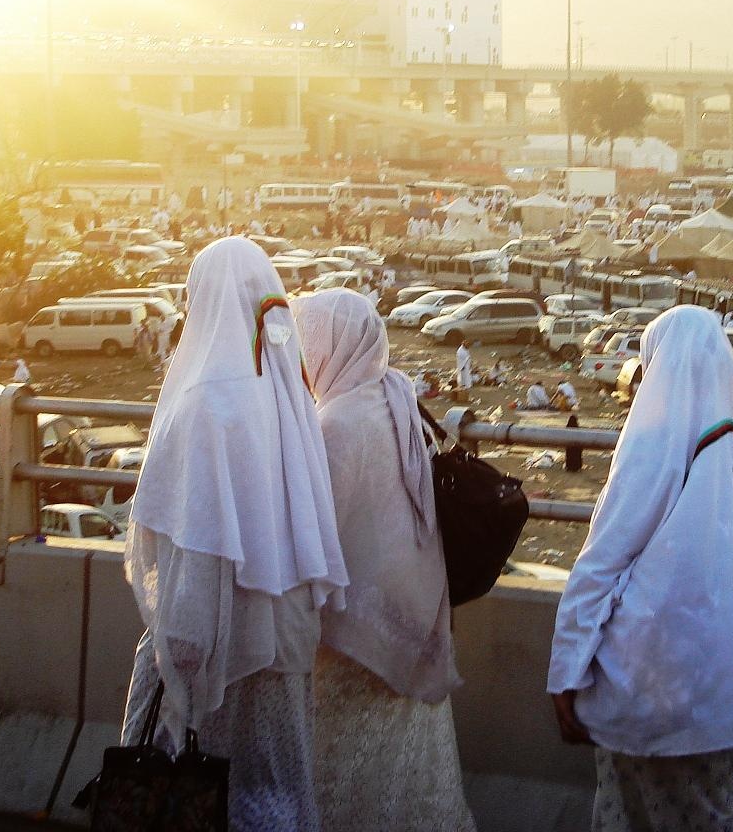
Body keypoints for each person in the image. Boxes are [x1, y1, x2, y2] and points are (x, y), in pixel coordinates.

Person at [121, 237, 348, 831]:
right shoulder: (287, 394)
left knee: (199, 791)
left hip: (219, 638)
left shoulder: (204, 404)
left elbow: (190, 546)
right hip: (286, 629)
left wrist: (184, 657)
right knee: (272, 787)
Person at [549, 306, 733, 832]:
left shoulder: (655, 438)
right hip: (731, 693)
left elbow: (606, 555)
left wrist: (567, 669)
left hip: (649, 678)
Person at [293, 289, 475, 831]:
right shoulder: (394, 399)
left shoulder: (336, 425)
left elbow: (314, 538)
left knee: (343, 782)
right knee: (407, 772)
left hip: (354, 636)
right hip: (408, 613)